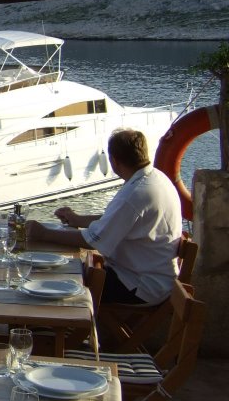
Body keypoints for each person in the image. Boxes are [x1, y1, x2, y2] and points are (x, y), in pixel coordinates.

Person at [26, 129, 182, 305]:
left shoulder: (135, 194)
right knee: (69, 271)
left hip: (140, 286)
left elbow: (92, 241)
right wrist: (77, 219)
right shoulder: (155, 178)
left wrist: (43, 234)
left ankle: (61, 327)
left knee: (62, 285)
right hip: (155, 279)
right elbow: (114, 219)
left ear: (114, 161)